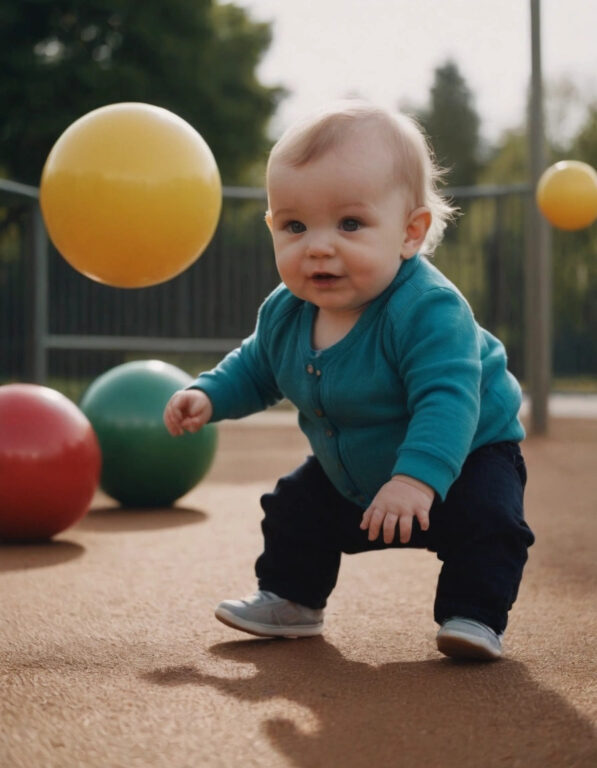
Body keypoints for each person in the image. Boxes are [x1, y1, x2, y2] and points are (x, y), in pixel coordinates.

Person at [163, 101, 534, 661]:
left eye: (350, 224)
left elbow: (448, 399)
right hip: (356, 470)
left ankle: (474, 615)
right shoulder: (287, 311)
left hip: (468, 455)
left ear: (410, 233)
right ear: (272, 226)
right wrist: (210, 393)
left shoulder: (429, 309)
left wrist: (414, 481)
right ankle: (291, 599)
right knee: (295, 507)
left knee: (491, 522)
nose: (317, 245)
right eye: (294, 225)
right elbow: (257, 365)